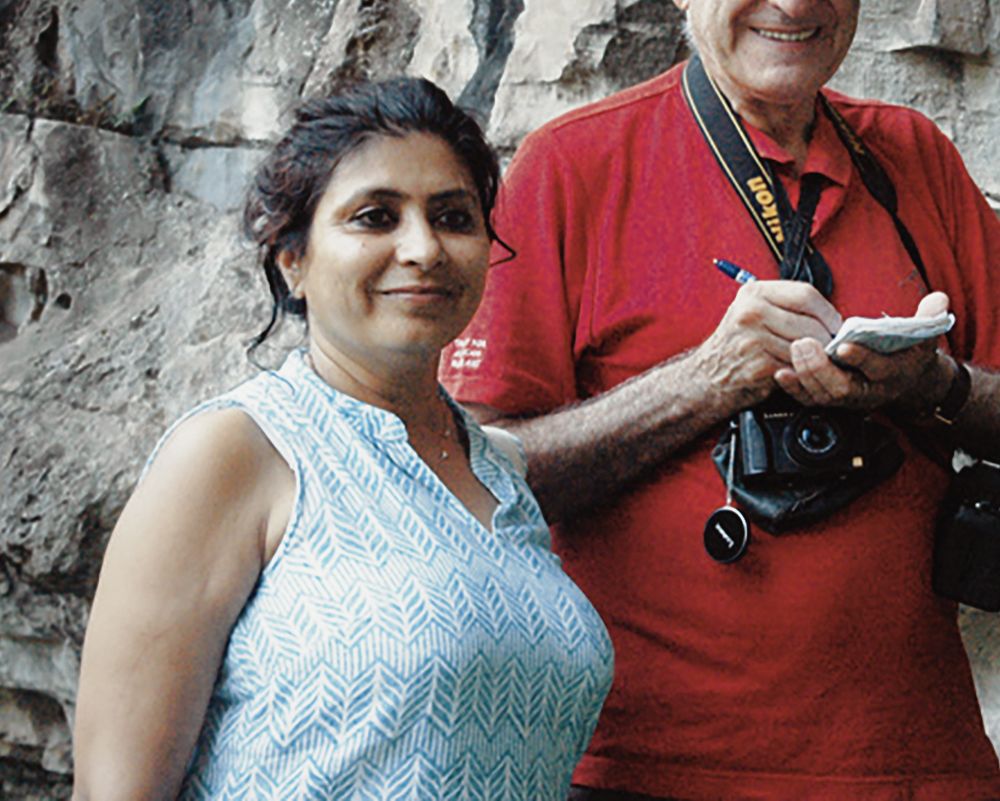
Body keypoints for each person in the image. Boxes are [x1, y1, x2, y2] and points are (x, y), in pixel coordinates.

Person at [442, 0, 1000, 800]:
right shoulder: (573, 169)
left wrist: (938, 384)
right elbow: (468, 486)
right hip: (647, 773)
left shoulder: (913, 158)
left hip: (918, 769)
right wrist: (709, 380)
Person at [72, 78, 613, 799]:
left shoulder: (502, 475)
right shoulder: (239, 454)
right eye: (375, 217)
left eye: (453, 216)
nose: (422, 247)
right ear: (292, 259)